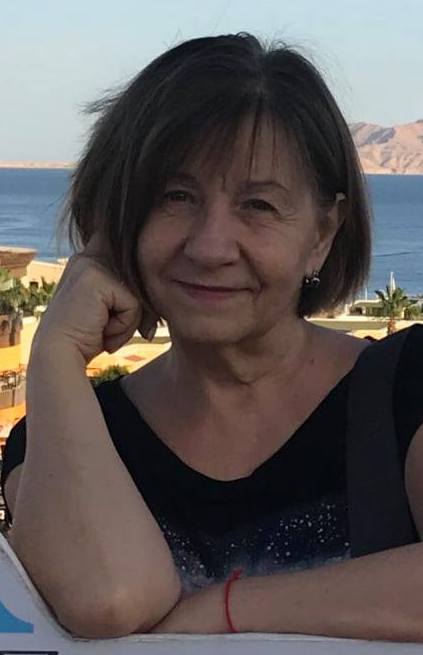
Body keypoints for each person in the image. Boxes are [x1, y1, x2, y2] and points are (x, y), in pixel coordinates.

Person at [1, 33, 423, 642]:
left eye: (258, 205)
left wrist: (226, 609)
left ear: (322, 234)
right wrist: (57, 351)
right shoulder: (64, 438)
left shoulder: (405, 391)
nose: (210, 247)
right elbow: (109, 601)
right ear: (116, 221)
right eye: (175, 197)